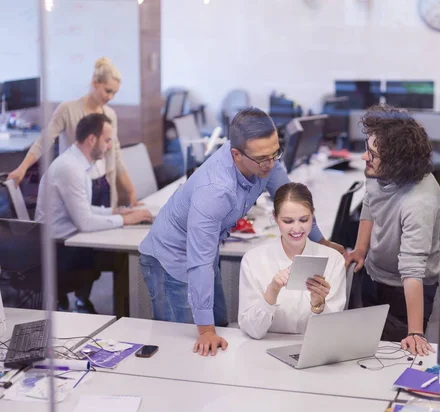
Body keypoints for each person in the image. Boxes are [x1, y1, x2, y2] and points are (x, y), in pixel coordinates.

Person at [139, 107, 345, 356]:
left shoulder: (263, 158)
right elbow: (199, 262)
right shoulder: (215, 190)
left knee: (221, 329)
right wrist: (205, 331)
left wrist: (322, 242)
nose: (271, 163)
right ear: (236, 154)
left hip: (205, 251)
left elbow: (290, 200)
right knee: (187, 350)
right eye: (263, 159)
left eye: (275, 153)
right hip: (170, 259)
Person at [345, 105, 440, 357]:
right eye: (368, 148)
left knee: (397, 356)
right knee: (366, 349)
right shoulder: (376, 171)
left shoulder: (418, 202)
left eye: (372, 154)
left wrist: (415, 331)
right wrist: (360, 249)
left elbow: (412, 271)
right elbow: (370, 202)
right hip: (375, 272)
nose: (365, 158)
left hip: (406, 289)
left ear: (396, 165)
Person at [36, 113, 152, 313]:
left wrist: (116, 212)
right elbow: (86, 222)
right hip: (59, 250)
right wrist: (124, 220)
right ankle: (124, 318)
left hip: (70, 240)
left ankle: (125, 313)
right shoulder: (70, 168)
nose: (109, 147)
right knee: (122, 257)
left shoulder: (78, 163)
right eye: (107, 141)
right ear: (92, 139)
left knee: (123, 253)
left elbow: (83, 209)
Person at [9, 57, 140, 209]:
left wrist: (131, 191)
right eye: (108, 91)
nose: (110, 97)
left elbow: (116, 156)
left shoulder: (110, 115)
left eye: (114, 93)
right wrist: (22, 168)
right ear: (95, 81)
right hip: (77, 185)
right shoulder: (68, 109)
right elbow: (44, 141)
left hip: (104, 184)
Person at [238, 182, 346, 339]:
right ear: (275, 218)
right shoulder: (253, 260)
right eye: (288, 221)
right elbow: (253, 331)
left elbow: (330, 334)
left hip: (311, 350)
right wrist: (272, 292)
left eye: (304, 220)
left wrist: (318, 305)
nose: (297, 228)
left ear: (312, 215)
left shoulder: (333, 260)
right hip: (262, 351)